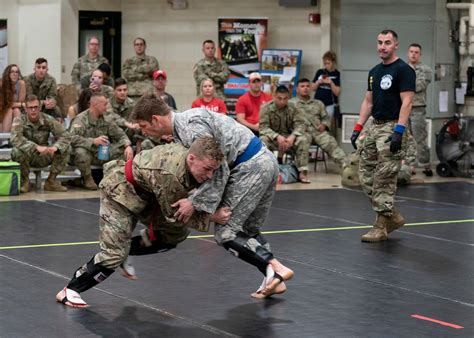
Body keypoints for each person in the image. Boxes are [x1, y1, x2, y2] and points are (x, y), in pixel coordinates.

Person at [131, 95, 294, 298]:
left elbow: (218, 169)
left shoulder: (191, 129)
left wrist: (194, 201)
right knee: (248, 230)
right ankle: (273, 278)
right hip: (262, 161)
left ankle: (276, 269)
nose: (143, 131)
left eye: (144, 126)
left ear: (156, 119)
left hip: (251, 167)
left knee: (226, 233)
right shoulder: (184, 125)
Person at [56, 137, 228, 308]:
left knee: (175, 234)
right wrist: (213, 217)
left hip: (148, 195)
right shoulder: (171, 174)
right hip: (120, 192)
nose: (210, 176)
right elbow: (175, 214)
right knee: (114, 254)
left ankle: (129, 250)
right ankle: (70, 290)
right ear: (191, 158)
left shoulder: (190, 158)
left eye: (214, 170)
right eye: (207, 169)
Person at [350, 29, 415, 242]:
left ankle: (380, 227)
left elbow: (407, 101)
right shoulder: (374, 71)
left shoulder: (404, 70)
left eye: (387, 42)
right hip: (374, 127)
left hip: (392, 127)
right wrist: (358, 127)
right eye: (379, 42)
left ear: (395, 45)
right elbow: (368, 101)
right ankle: (392, 216)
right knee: (364, 173)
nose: (382, 46)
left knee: (384, 178)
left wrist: (399, 131)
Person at [69, 93, 134, 190]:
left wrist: (127, 146)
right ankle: (87, 178)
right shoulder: (81, 119)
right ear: (95, 104)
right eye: (104, 104)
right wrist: (93, 141)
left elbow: (120, 135)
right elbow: (71, 138)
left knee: (122, 148)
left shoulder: (106, 119)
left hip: (101, 152)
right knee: (80, 151)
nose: (107, 106)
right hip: (87, 155)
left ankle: (116, 177)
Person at [10, 95, 70, 193]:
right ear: (25, 108)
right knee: (17, 151)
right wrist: (36, 147)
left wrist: (55, 147)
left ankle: (51, 181)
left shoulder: (48, 119)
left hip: (45, 155)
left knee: (65, 148)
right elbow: (15, 138)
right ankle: (25, 181)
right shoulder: (19, 120)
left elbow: (66, 136)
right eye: (30, 108)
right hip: (28, 155)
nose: (33, 110)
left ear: (40, 107)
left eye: (36, 107)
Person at [290, 78, 347, 170]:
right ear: (297, 89)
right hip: (301, 133)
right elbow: (287, 120)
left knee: (330, 141)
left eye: (308, 86)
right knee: (302, 141)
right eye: (302, 86)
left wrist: (324, 125)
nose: (305, 88)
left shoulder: (318, 103)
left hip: (317, 132)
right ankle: (302, 171)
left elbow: (326, 118)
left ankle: (346, 166)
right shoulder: (291, 104)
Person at [259, 85, 310, 183]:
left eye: (285, 98)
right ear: (274, 96)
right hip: (273, 139)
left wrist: (293, 136)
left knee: (303, 139)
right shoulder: (266, 108)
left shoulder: (294, 107)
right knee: (263, 139)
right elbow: (263, 127)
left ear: (289, 97)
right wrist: (277, 136)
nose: (282, 101)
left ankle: (302, 172)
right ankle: (267, 172)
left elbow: (300, 124)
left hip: (290, 139)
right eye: (279, 98)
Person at [407, 43, 433, 177]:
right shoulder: (402, 68)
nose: (413, 54)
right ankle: (410, 165)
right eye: (411, 51)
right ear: (408, 53)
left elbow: (420, 85)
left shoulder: (425, 69)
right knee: (406, 138)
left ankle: (426, 164)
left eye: (416, 52)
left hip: (418, 108)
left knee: (419, 138)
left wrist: (404, 84)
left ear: (420, 54)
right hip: (404, 108)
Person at [312, 51, 341, 132]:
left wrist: (330, 82)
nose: (326, 65)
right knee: (316, 124)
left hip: (330, 104)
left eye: (328, 63)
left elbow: (337, 92)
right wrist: (318, 82)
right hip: (318, 102)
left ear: (333, 62)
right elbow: (313, 88)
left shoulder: (337, 74)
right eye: (325, 63)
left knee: (326, 125)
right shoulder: (320, 72)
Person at [0, 64, 26, 135]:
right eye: (12, 72)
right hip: (2, 109)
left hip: (16, 109)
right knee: (9, 110)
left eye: (17, 72)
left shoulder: (21, 84)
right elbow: (5, 104)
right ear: (7, 73)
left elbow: (21, 102)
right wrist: (20, 104)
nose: (15, 74)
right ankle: (4, 141)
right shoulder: (2, 84)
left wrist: (20, 104)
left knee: (16, 110)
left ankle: (18, 139)